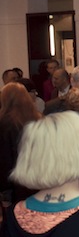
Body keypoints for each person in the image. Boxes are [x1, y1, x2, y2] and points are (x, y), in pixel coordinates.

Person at [0, 83, 42, 212]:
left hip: (15, 184)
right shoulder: (39, 119)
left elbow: (5, 159)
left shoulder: (4, 123)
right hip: (39, 179)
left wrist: (4, 188)